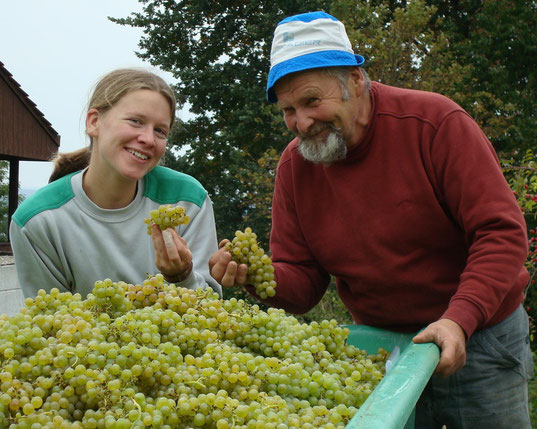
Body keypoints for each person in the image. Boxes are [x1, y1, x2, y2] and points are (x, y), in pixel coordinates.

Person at [209, 11, 533, 428]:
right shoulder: (295, 167)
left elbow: (500, 233)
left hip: (480, 336)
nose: (301, 123)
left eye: (311, 101)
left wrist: (459, 318)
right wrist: (253, 275)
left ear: (356, 81)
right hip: (382, 354)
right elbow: (304, 281)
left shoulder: (434, 123)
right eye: (288, 110)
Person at [10, 68, 221, 299]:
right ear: (94, 122)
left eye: (160, 131)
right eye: (135, 121)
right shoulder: (36, 221)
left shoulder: (187, 200)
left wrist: (182, 276)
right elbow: (52, 325)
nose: (148, 139)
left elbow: (211, 312)